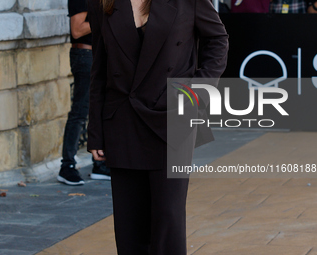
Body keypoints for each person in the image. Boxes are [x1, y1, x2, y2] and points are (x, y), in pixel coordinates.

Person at [87, 0, 228, 254]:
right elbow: (99, 68)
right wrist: (96, 132)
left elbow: (218, 40)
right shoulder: (102, 3)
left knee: (168, 218)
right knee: (130, 225)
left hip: (173, 116)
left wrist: (196, 95)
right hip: (123, 122)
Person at [57, 0, 110, 186]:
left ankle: (100, 164)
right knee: (80, 111)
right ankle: (67, 166)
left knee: (102, 109)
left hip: (100, 54)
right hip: (85, 56)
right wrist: (109, 15)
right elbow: (77, 30)